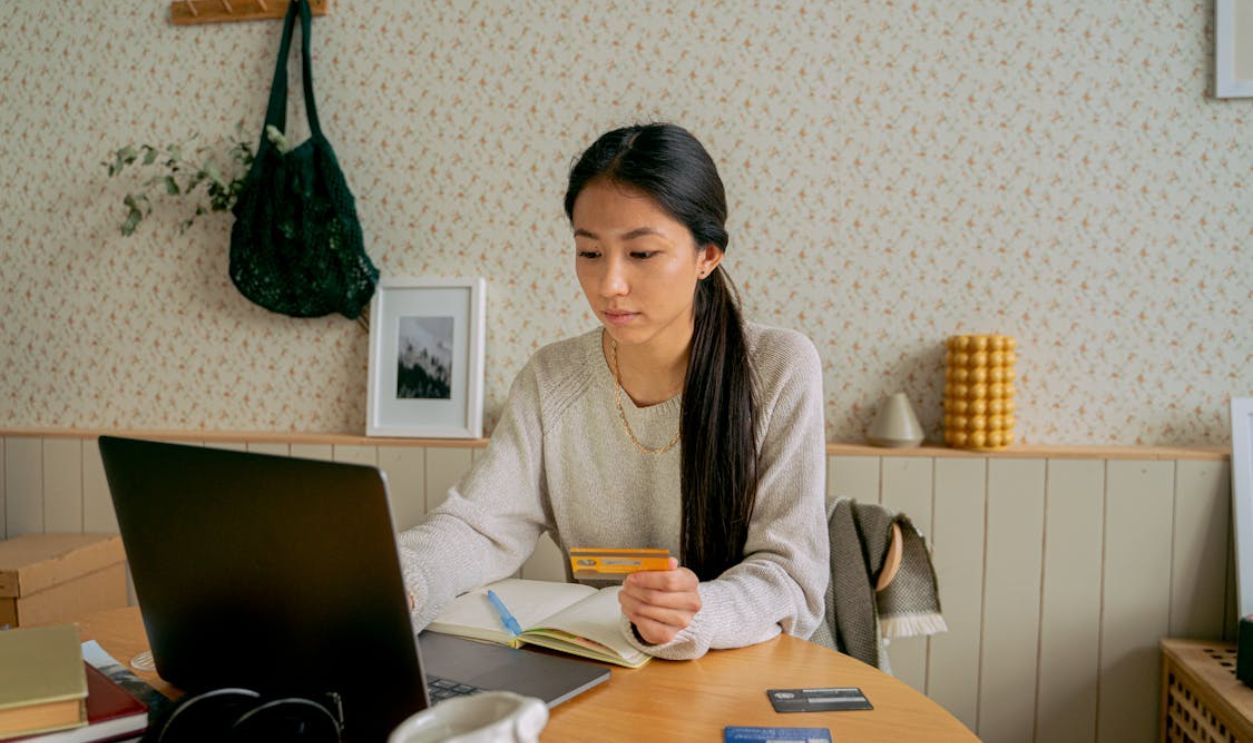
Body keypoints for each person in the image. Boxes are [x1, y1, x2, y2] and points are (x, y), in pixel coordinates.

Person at [398, 123, 828, 660]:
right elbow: (481, 528)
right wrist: (401, 580)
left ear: (707, 256)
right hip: (608, 673)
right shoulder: (552, 376)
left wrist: (697, 614)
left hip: (750, 672)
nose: (609, 285)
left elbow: (790, 575)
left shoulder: (778, 367)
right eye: (590, 253)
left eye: (642, 254)